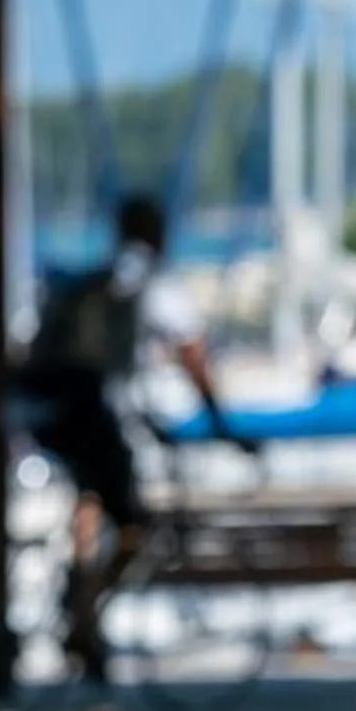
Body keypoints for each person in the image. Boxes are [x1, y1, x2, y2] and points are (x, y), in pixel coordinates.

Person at [18, 193, 243, 682]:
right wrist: (221, 423)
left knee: (92, 496)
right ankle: (86, 608)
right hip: (92, 411)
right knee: (132, 521)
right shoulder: (151, 283)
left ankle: (81, 605)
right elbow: (191, 354)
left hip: (57, 411)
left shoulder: (103, 275)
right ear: (156, 233)